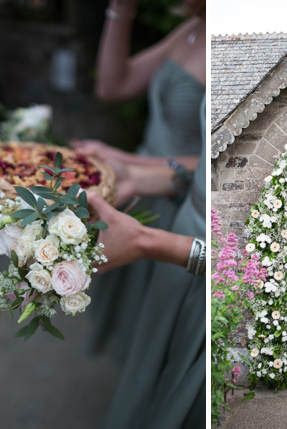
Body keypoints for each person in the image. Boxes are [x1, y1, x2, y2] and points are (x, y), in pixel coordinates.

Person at [71, 0, 205, 358]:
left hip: (173, 194)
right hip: (137, 182)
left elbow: (210, 160)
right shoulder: (191, 29)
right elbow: (112, 86)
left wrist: (123, 159)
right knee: (130, 306)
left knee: (155, 318)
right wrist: (121, 8)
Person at [87, 95, 206, 428]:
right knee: (156, 361)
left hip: (191, 253)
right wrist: (138, 178)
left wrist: (146, 241)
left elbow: (236, 258)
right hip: (184, 225)